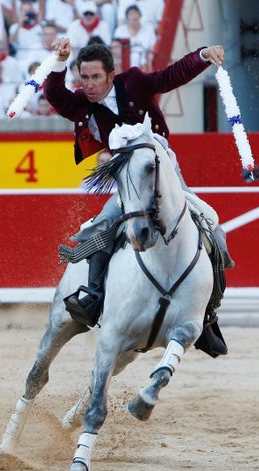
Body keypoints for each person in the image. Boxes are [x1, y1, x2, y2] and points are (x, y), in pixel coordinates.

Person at [45, 39, 233, 332]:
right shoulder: (81, 104)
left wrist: (202, 56)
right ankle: (93, 297)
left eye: (96, 77)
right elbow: (54, 95)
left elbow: (169, 77)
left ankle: (208, 315)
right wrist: (59, 61)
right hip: (128, 186)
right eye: (84, 78)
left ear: (110, 75)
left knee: (214, 233)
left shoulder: (132, 82)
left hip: (164, 173)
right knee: (100, 230)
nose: (90, 85)